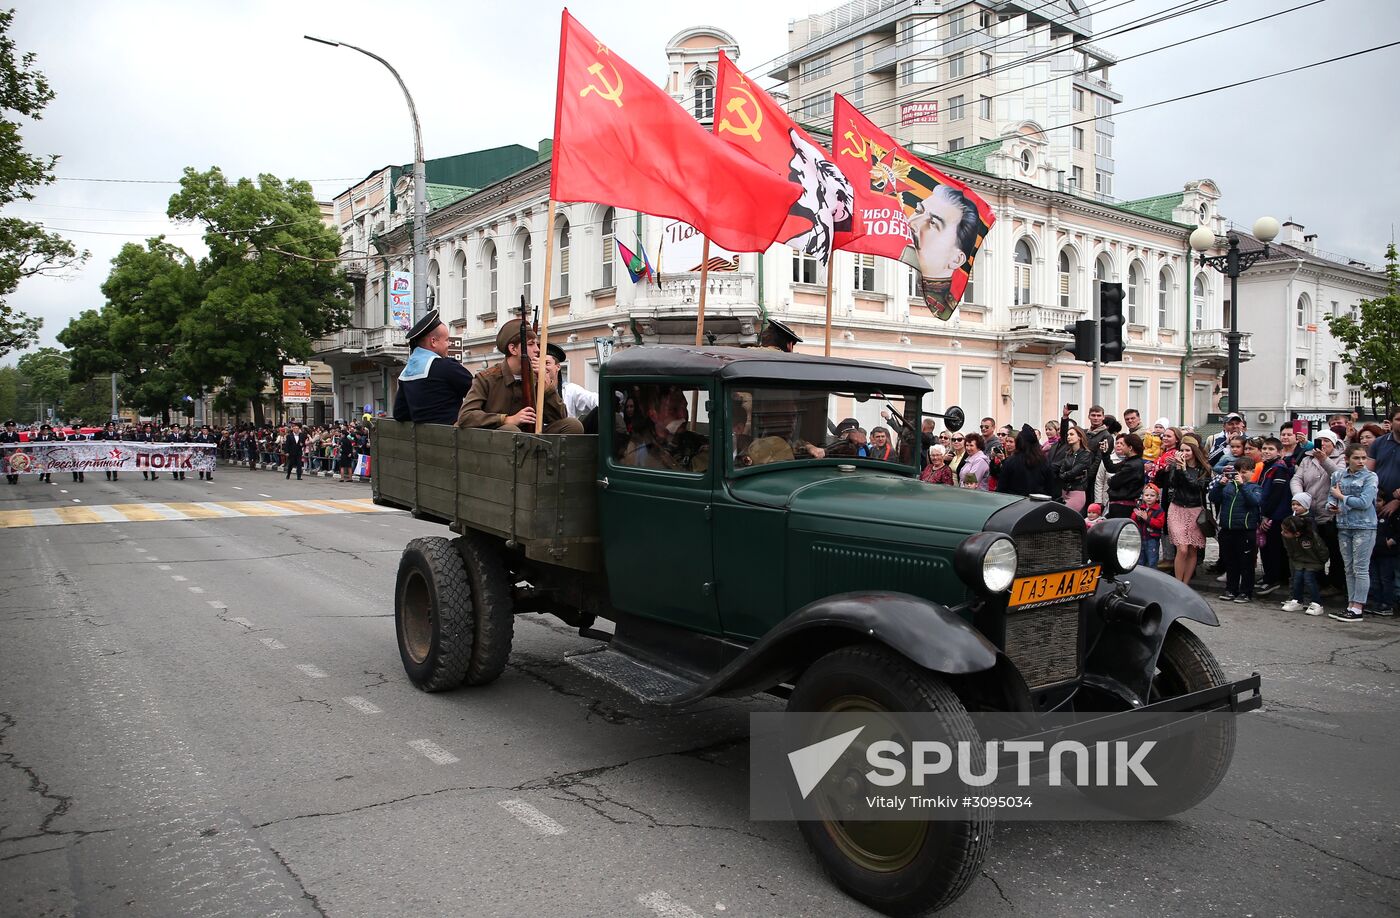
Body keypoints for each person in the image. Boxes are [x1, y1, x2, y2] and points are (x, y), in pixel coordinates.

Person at [456, 319, 584, 434]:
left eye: (536, 344)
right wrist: (506, 419)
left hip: (532, 438)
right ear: (513, 349)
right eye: (530, 344)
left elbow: (560, 417)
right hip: (496, 444)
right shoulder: (487, 378)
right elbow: (466, 416)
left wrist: (547, 388)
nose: (537, 349)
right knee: (511, 431)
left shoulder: (535, 376)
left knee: (573, 425)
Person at [904, 183, 982, 319]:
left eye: (933, 223)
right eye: (918, 211)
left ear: (956, 259)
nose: (912, 223)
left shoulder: (943, 308)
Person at [392, 308, 474, 425]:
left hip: (420, 440)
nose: (449, 344)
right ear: (433, 341)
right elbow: (479, 394)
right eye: (446, 340)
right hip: (453, 438)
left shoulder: (406, 372)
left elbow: (400, 414)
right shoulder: (447, 367)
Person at [1328, 444, 1379, 621]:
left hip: (1364, 526)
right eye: (1357, 458)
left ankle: (1358, 607)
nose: (1361, 461)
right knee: (1348, 568)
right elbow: (1330, 498)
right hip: (1343, 525)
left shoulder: (1370, 477)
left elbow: (1365, 502)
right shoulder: (1337, 475)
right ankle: (1351, 604)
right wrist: (1332, 506)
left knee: (1360, 568)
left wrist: (1342, 497)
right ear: (1347, 459)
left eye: (1364, 458)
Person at [1291, 429, 1342, 593]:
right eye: (1320, 441)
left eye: (1327, 441)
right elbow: (1297, 479)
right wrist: (1299, 497)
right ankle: (1319, 582)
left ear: (1334, 443)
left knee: (1333, 549)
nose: (1323, 444)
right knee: (1312, 548)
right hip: (1310, 511)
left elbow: (1339, 476)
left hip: (1329, 512)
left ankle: (1336, 583)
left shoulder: (1341, 458)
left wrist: (1325, 460)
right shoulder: (1307, 459)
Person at [621, 385, 708, 471]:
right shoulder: (638, 451)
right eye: (673, 409)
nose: (684, 416)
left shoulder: (696, 441)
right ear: (653, 415)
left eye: (685, 407)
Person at [1161, 437, 1211, 584]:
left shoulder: (1204, 468)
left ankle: (1186, 583)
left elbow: (1196, 486)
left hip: (1195, 511)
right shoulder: (1176, 466)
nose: (1184, 453)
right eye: (1181, 450)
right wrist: (1178, 468)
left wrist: (1183, 470)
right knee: (1182, 549)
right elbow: (1173, 484)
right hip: (1177, 509)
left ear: (1194, 451)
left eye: (1187, 450)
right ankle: (1178, 583)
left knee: (1192, 549)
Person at [1210, 459, 1262, 603]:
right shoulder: (1228, 486)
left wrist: (1242, 485)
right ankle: (1231, 589)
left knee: (1246, 563)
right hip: (1227, 529)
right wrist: (1219, 486)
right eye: (1237, 472)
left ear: (1252, 472)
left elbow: (1254, 502)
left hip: (1246, 530)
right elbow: (1213, 498)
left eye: (1244, 472)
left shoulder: (1255, 487)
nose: (1240, 475)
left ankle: (1246, 592)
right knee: (1231, 562)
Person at [1255, 438, 1295, 596]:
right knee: (1266, 548)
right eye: (1264, 448)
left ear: (1279, 452)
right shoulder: (1267, 466)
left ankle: (1273, 580)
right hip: (1269, 513)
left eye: (1271, 449)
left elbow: (1276, 495)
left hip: (1276, 515)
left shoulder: (1279, 468)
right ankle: (1269, 576)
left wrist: (1267, 516)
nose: (1266, 451)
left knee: (1272, 549)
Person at [1280, 493, 1328, 616]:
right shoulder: (1290, 525)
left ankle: (1316, 603)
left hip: (1312, 560)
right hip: (1299, 559)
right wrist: (1293, 557)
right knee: (1297, 578)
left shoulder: (1310, 529)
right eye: (1293, 504)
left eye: (1298, 504)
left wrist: (1321, 561)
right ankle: (1297, 600)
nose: (1295, 507)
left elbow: (1320, 548)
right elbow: (1289, 548)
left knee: (1309, 579)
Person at [995, 424, 1054, 497]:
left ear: (1019, 442)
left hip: (1015, 503)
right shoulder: (1044, 461)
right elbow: (1050, 488)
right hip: (1038, 504)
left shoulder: (1011, 461)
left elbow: (1001, 488)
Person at [544, 343, 599, 420]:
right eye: (539, 364)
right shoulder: (530, 390)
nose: (542, 367)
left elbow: (594, 400)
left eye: (547, 363)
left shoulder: (569, 390)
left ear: (558, 367)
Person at [1100, 433, 1147, 518]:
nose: (1120, 446)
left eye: (1123, 444)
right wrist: (1105, 454)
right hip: (1120, 505)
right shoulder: (1130, 461)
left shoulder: (1133, 465)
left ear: (1130, 448)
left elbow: (1113, 482)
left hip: (1123, 507)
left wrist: (1110, 480)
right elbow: (1112, 468)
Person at [1051, 421, 1092, 513]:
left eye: (1072, 434)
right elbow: (1062, 472)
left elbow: (1074, 472)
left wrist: (1066, 475)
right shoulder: (1068, 454)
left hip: (1077, 491)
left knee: (1064, 515)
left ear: (1080, 437)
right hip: (1064, 492)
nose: (1068, 437)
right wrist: (1066, 475)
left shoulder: (1086, 454)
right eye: (1068, 435)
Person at [1133, 484, 1166, 568]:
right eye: (1146, 495)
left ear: (1157, 498)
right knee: (1140, 561)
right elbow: (1133, 520)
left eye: (1152, 495)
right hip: (1140, 539)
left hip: (1152, 540)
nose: (1149, 497)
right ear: (1143, 496)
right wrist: (1137, 515)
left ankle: (1152, 578)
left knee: (1152, 561)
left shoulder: (1159, 510)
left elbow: (1159, 524)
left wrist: (1147, 518)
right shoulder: (1140, 507)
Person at [2, 419, 21, 484]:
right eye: (8, 426)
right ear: (6, 427)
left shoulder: (16, 435)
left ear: (13, 427)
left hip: (14, 451)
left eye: (11, 426)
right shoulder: (3, 435)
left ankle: (15, 478)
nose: (10, 427)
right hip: (6, 452)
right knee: (7, 465)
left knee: (15, 464)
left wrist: (17, 443)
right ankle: (9, 478)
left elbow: (19, 443)